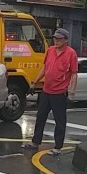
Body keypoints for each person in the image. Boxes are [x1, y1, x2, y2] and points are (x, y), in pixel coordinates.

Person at [21, 28, 78, 156]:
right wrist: (35, 82)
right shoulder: (50, 50)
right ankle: (35, 142)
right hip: (46, 90)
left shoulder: (71, 53)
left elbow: (74, 74)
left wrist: (72, 92)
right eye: (55, 38)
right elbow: (45, 68)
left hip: (59, 92)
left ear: (66, 40)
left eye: (59, 39)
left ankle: (58, 147)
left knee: (60, 120)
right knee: (40, 116)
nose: (56, 41)